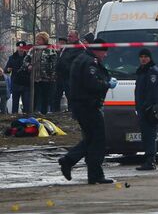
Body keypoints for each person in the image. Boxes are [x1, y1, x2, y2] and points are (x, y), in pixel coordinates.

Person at [58, 38, 117, 184]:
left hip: (83, 105)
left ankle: (75, 164)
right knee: (98, 139)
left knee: (91, 139)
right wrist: (107, 84)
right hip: (88, 106)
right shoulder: (89, 62)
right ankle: (90, 171)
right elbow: (91, 84)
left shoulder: (83, 59)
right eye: (104, 52)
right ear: (99, 50)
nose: (105, 56)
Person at [134, 48, 158, 171]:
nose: (143, 59)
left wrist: (148, 107)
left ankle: (150, 161)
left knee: (149, 135)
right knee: (146, 135)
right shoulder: (142, 71)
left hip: (149, 110)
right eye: (141, 56)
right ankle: (148, 159)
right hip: (143, 109)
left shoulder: (153, 72)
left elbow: (154, 93)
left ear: (150, 58)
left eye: (146, 57)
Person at [24, 32, 58, 114]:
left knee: (45, 95)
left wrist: (52, 76)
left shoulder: (50, 50)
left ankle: (44, 112)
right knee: (34, 95)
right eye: (37, 39)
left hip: (46, 77)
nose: (37, 41)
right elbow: (25, 60)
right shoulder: (32, 50)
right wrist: (28, 65)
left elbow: (54, 64)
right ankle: (33, 111)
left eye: (39, 39)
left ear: (44, 40)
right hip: (34, 77)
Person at [55, 31, 85, 113]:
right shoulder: (67, 46)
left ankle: (72, 112)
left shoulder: (80, 47)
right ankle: (55, 111)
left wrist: (69, 69)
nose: (68, 38)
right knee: (56, 95)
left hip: (70, 76)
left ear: (76, 37)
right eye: (68, 36)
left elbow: (77, 62)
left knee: (71, 95)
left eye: (71, 36)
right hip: (61, 75)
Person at [4, 41, 29, 113]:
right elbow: (6, 70)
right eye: (19, 47)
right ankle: (14, 116)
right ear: (17, 48)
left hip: (26, 83)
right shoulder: (12, 58)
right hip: (16, 83)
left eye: (22, 47)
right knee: (15, 103)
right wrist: (8, 69)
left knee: (26, 103)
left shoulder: (28, 57)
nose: (21, 49)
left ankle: (26, 116)